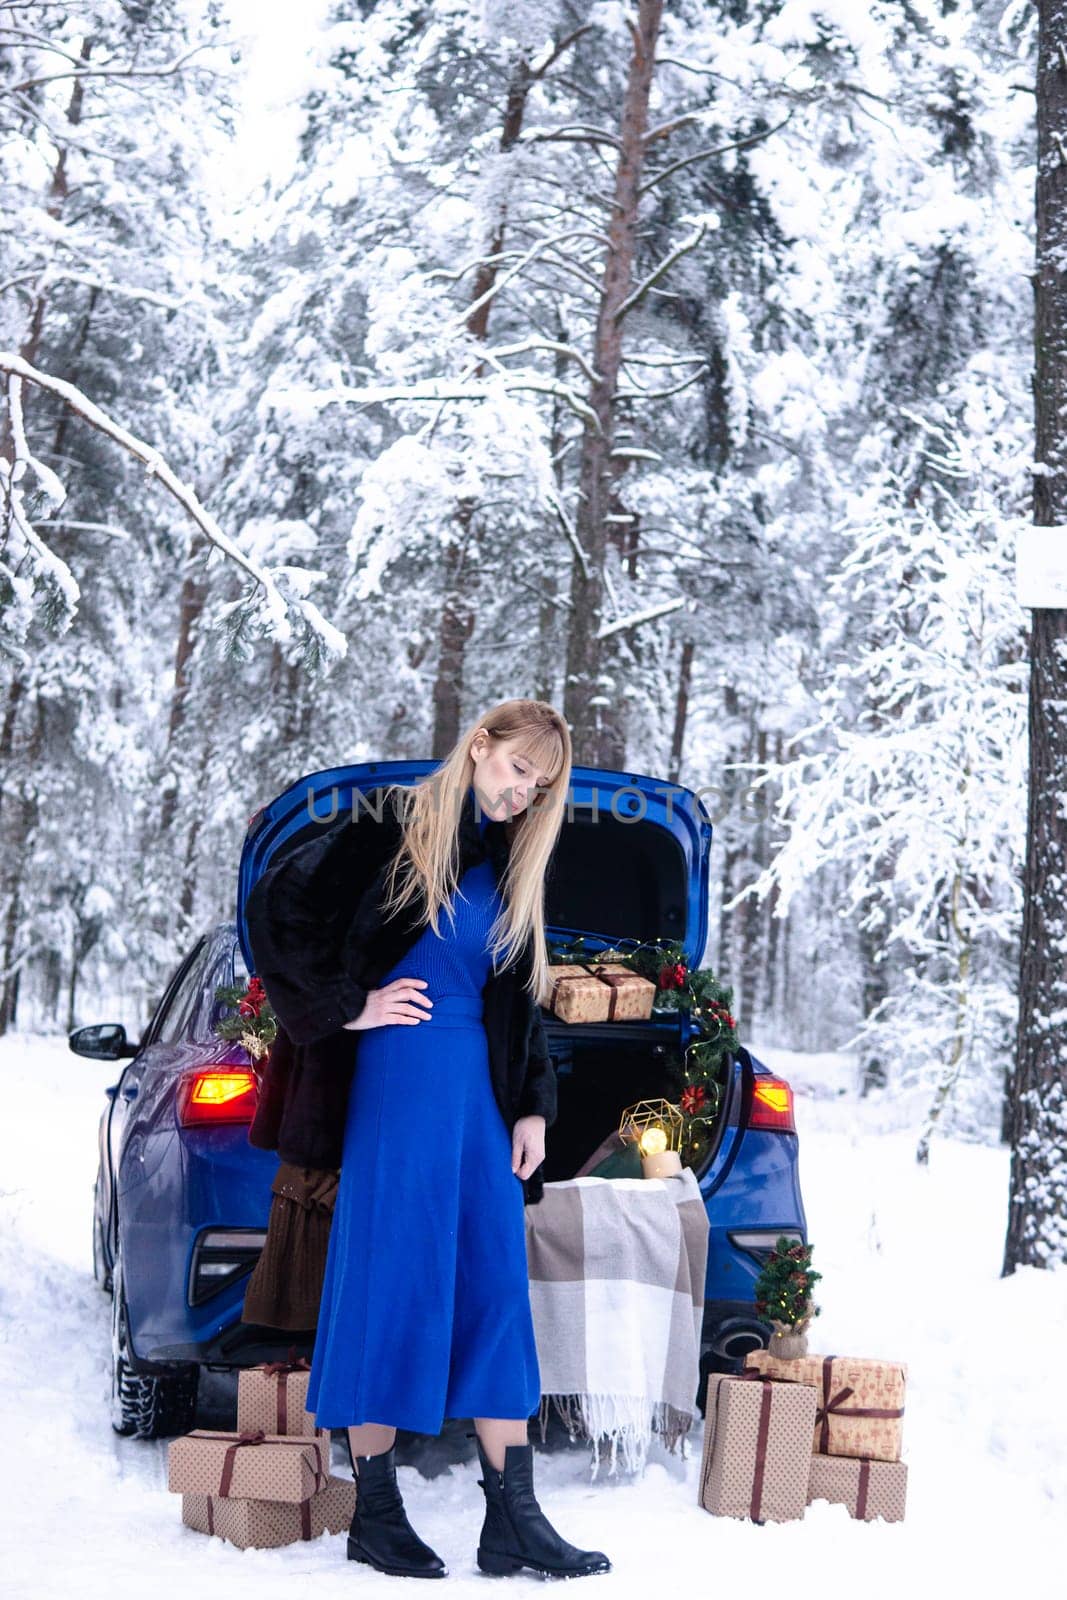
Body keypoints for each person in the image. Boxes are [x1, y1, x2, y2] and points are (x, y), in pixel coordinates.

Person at [246, 700, 611, 1580]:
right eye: (516, 769)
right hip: (397, 1079)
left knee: (493, 1285)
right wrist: (348, 1007)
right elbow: (273, 915)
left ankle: (511, 1516)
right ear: (480, 744)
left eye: (539, 784)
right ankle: (375, 1510)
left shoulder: (512, 859)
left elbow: (517, 996)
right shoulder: (387, 827)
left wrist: (531, 1108)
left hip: (478, 1098)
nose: (523, 792)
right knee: (392, 1280)